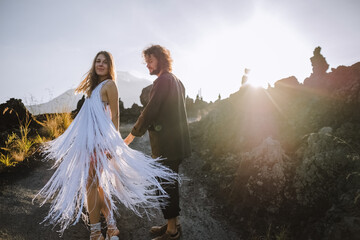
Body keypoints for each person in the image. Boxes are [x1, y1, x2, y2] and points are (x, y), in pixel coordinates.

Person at [33, 51, 177, 240]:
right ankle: (110, 227)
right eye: (97, 61)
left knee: (90, 184)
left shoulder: (110, 85)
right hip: (88, 143)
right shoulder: (93, 89)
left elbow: (115, 116)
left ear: (110, 66)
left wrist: (114, 144)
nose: (100, 64)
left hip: (100, 143)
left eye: (105, 62)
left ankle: (96, 233)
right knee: (98, 185)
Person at [125, 45, 191, 240]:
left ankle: (172, 232)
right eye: (146, 62)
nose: (148, 66)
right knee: (169, 183)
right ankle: (173, 223)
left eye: (150, 61)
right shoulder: (177, 81)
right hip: (176, 144)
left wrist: (131, 136)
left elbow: (151, 111)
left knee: (165, 186)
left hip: (167, 146)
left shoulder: (162, 81)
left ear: (161, 60)